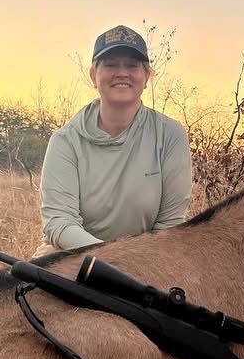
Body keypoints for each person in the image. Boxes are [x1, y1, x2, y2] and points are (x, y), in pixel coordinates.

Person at [34, 24, 193, 256]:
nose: (122, 73)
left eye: (132, 65)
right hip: (73, 256)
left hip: (147, 259)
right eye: (110, 64)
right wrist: (112, 260)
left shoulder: (170, 135)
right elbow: (60, 223)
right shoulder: (65, 141)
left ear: (146, 76)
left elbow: (170, 225)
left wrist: (132, 264)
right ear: (93, 76)